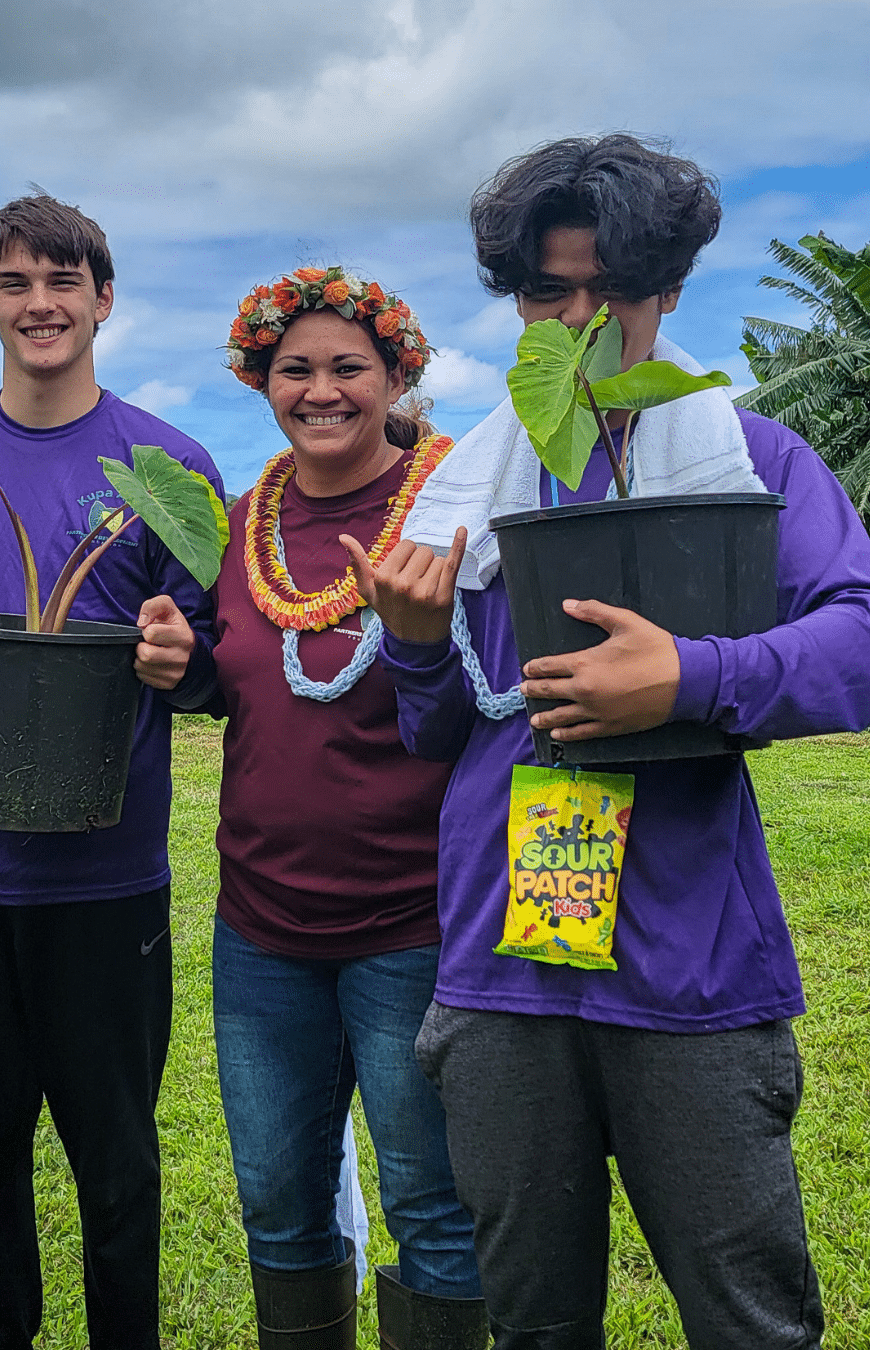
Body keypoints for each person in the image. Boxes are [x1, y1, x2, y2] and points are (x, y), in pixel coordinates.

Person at [342, 135, 870, 1350]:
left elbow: (855, 640)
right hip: (502, 968)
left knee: (749, 1316)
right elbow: (436, 731)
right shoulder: (468, 495)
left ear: (670, 287)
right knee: (533, 1317)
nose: (576, 322)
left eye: (610, 290)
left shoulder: (749, 463)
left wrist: (690, 675)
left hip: (690, 964)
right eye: (545, 293)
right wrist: (419, 643)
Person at [0, 192, 223, 1350]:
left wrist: (182, 659)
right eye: (14, 285)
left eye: (63, 282)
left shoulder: (168, 462)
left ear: (102, 299)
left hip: (105, 881)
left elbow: (219, 665)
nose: (40, 304)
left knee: (118, 1169)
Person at [211, 268, 488, 1349]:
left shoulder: (459, 509)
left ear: (397, 374)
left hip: (416, 927)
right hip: (260, 930)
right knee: (278, 1206)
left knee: (434, 1211)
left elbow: (492, 709)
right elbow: (215, 677)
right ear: (260, 380)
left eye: (347, 368)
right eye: (295, 370)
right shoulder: (240, 526)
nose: (320, 391)